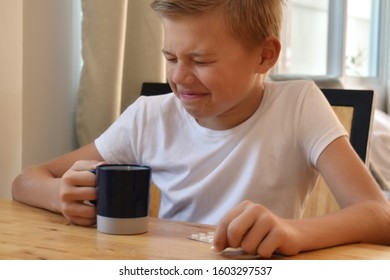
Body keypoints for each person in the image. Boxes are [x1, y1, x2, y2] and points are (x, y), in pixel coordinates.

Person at [12, 0, 390, 258]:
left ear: (264, 55)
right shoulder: (149, 116)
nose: (178, 76)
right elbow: (26, 180)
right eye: (171, 57)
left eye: (201, 60)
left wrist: (294, 232)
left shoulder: (299, 105)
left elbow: (377, 214)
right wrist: (56, 192)